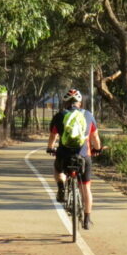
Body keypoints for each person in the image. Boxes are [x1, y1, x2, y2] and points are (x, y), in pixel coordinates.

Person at [46, 88, 101, 229]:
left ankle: (61, 188)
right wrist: (97, 149)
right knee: (86, 187)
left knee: (58, 170)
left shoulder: (59, 116)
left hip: (64, 155)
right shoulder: (88, 115)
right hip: (83, 156)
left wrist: (50, 148)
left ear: (65, 103)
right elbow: (94, 137)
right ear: (80, 103)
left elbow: (53, 136)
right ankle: (87, 219)